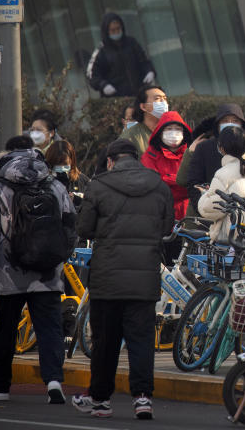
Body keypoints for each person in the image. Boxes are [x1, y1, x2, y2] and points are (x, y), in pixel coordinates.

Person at [73, 139, 173, 419]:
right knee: (141, 341)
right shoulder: (158, 185)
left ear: (110, 160)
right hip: (144, 278)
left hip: (107, 279)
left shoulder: (99, 185)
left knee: (105, 342)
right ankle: (142, 398)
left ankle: (101, 399)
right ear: (136, 158)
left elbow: (84, 228)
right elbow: (167, 226)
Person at [0, 136, 76, 405]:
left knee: (6, 328)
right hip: (47, 272)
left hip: (9, 271)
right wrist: (58, 256)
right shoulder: (54, 184)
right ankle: (54, 382)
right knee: (49, 328)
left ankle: (0, 387)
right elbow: (70, 225)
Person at [184, 103, 245, 213]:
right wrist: (203, 210)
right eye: (225, 121)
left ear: (242, 125)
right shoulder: (204, 147)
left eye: (235, 121)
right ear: (217, 125)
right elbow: (194, 182)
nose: (230, 124)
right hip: (211, 214)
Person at [86, 12, 156, 98]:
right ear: (107, 32)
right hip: (117, 98)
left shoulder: (131, 43)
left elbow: (144, 61)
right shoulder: (101, 51)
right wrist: (103, 85)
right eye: (113, 30)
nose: (116, 32)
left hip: (139, 94)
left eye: (118, 29)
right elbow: (92, 74)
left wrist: (150, 71)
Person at [140, 111, 192, 221]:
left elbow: (194, 186)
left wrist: (167, 179)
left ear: (184, 132)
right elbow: (153, 186)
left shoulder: (191, 154)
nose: (174, 133)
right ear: (160, 132)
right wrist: (180, 182)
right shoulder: (149, 156)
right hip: (160, 215)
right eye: (169, 129)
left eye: (178, 129)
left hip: (188, 215)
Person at [119, 85, 169, 155]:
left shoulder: (173, 128)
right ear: (143, 106)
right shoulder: (130, 137)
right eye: (157, 98)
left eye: (165, 98)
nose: (163, 102)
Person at [43, 140, 90, 207]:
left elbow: (92, 206)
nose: (61, 167)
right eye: (57, 164)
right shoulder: (43, 182)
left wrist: (76, 199)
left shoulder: (83, 181)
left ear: (72, 161)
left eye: (65, 164)